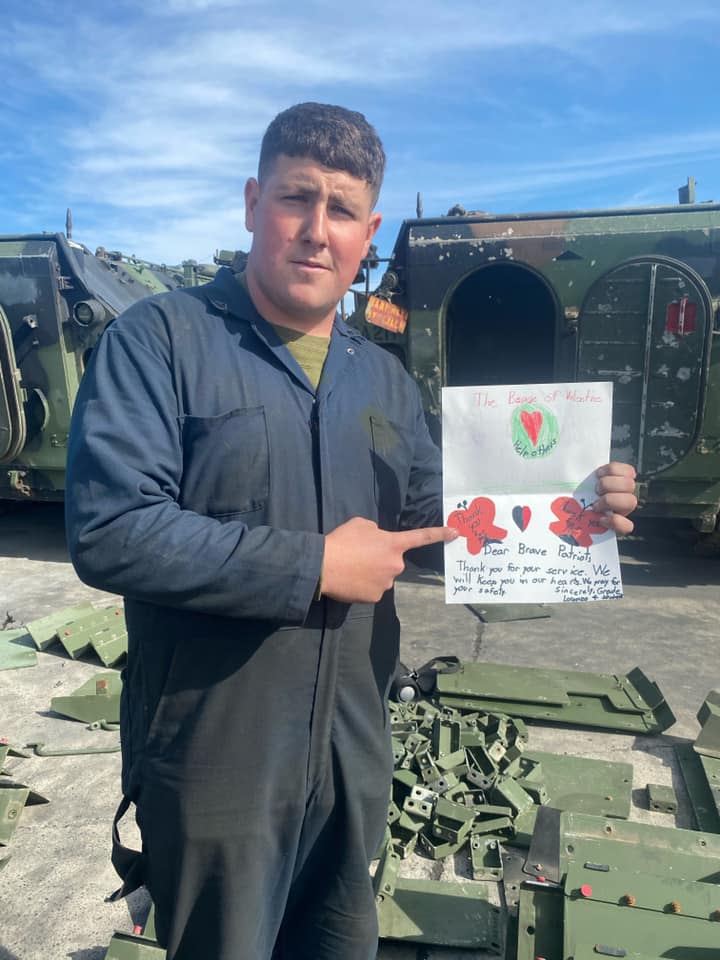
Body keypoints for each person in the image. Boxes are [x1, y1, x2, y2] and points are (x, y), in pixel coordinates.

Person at [65, 102, 637, 960]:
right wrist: (315, 563)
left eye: (341, 211)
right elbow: (114, 529)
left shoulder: (382, 378)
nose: (315, 231)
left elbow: (445, 510)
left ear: (367, 231)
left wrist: (574, 500)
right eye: (298, 198)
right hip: (216, 758)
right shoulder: (161, 341)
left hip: (352, 752)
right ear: (254, 201)